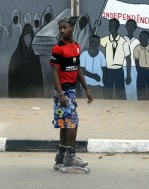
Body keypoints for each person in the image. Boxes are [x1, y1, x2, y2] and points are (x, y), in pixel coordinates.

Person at [49, 17, 93, 172]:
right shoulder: (58, 48)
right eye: (60, 28)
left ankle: (60, 158)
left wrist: (86, 88)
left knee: (64, 123)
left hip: (71, 90)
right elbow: (54, 72)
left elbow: (78, 68)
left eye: (64, 27)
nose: (62, 30)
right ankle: (71, 158)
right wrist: (60, 94)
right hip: (63, 92)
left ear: (72, 28)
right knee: (72, 123)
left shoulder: (76, 47)